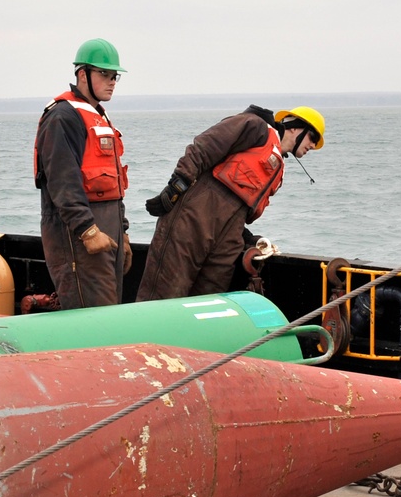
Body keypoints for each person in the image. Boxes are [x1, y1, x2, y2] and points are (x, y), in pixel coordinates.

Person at [136, 104, 324, 301]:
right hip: (192, 219)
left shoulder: (278, 168)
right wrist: (176, 187)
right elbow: (204, 147)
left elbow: (238, 209)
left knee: (209, 301)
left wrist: (248, 238)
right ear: (294, 127)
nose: (312, 145)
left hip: (227, 237)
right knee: (163, 294)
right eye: (313, 137)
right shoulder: (255, 126)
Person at [34, 38, 132, 309]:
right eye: (104, 74)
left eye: (115, 76)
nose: (111, 81)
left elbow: (113, 184)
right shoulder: (63, 118)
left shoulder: (98, 116)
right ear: (82, 74)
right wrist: (88, 231)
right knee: (91, 313)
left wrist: (122, 232)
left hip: (107, 227)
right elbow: (63, 183)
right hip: (78, 233)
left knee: (109, 308)